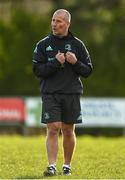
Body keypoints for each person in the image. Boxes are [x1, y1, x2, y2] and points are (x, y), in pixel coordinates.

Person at [32, 9, 93, 176]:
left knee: (67, 130)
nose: (54, 24)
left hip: (71, 93)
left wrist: (75, 62)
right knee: (53, 128)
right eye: (53, 20)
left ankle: (66, 166)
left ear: (67, 23)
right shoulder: (43, 44)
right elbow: (37, 70)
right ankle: (51, 166)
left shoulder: (78, 45)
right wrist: (55, 63)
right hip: (50, 93)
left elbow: (88, 70)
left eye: (58, 21)